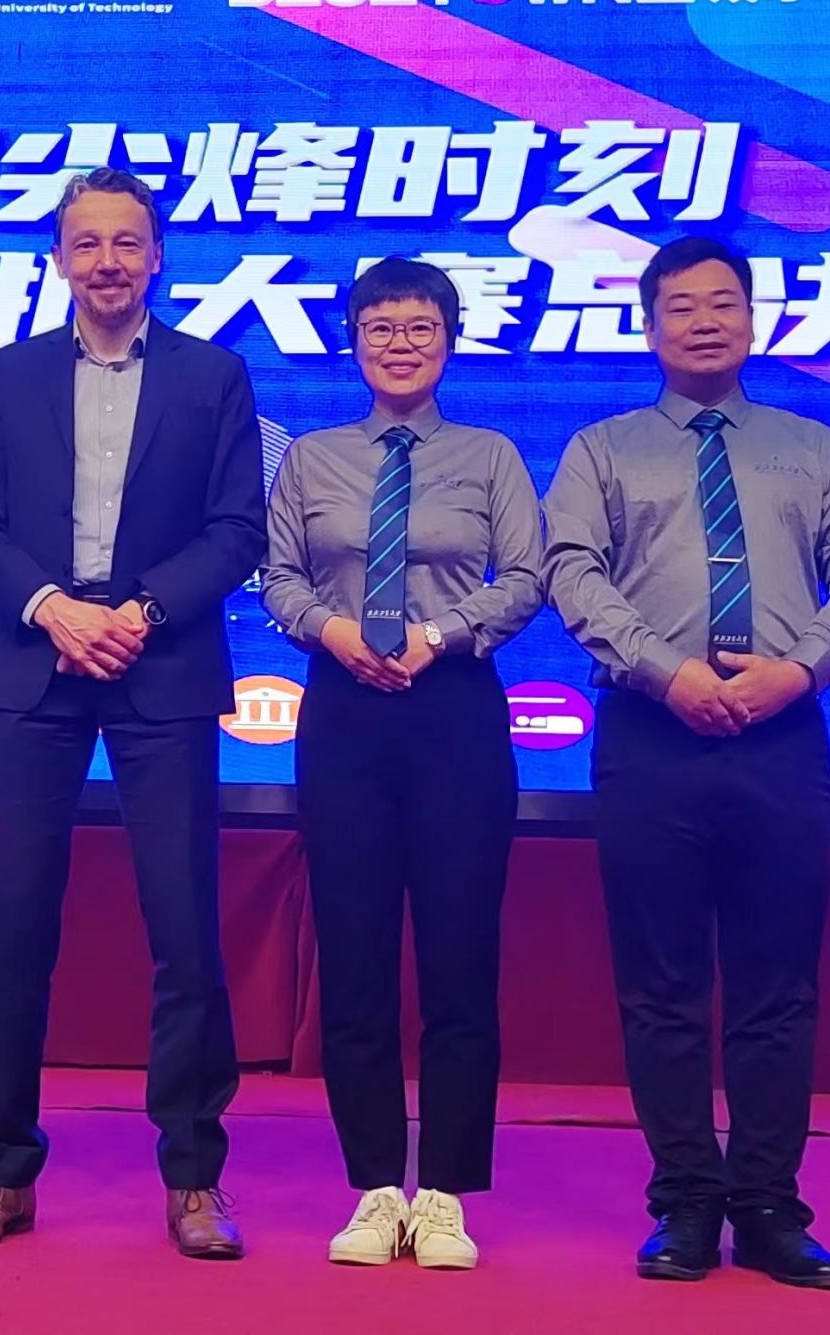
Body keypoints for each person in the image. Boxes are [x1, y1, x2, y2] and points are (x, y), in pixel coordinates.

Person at [543, 235, 830, 1292]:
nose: (704, 320)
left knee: (776, 983)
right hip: (650, 735)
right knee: (661, 984)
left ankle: (771, 1205)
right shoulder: (601, 449)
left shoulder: (813, 447)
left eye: (723, 302)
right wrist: (666, 673)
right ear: (649, 326)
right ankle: (685, 1202)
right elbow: (571, 573)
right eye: (681, 306)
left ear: (752, 319)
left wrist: (798, 670)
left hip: (782, 734)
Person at [0, 167, 266, 1259]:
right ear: (60, 259)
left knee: (185, 931)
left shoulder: (213, 374)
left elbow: (237, 528)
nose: (108, 262)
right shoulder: (11, 373)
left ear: (157, 255)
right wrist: (51, 608)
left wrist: (138, 611)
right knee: (14, 925)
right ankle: (1, 1172)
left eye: (128, 242)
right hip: (33, 663)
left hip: (160, 665)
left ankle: (194, 1179)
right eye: (87, 243)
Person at [262, 257, 543, 1270]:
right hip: (344, 709)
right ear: (353, 341)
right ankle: (376, 1186)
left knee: (459, 957)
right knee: (355, 956)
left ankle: (448, 1191)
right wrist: (334, 631)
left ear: (449, 341)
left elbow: (526, 575)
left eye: (420, 327)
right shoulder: (311, 458)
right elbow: (278, 575)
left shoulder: (489, 455)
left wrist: (439, 634)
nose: (399, 343)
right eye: (379, 327)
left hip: (454, 707)